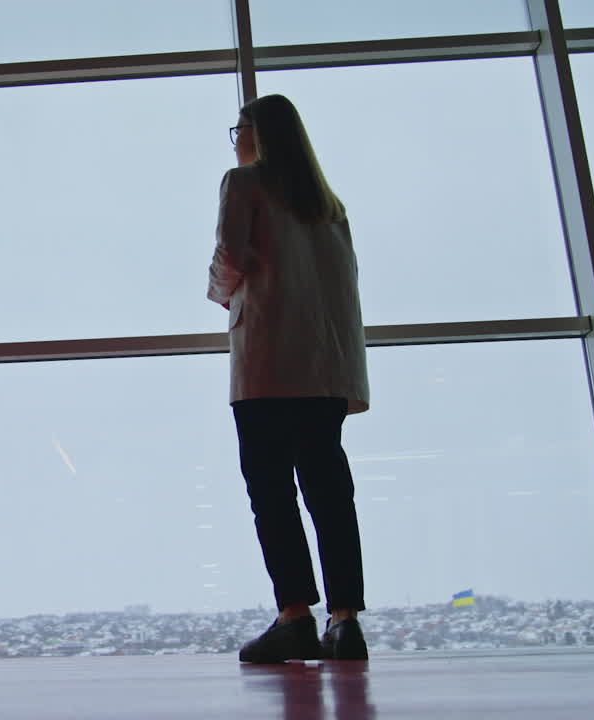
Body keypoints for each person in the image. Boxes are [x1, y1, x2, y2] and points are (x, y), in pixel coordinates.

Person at [207, 94, 370, 662]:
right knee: (330, 494)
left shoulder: (244, 183)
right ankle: (345, 620)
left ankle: (295, 615)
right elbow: (344, 294)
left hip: (266, 364)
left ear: (258, 134)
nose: (236, 139)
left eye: (239, 129)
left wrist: (219, 292)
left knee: (272, 493)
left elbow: (229, 256)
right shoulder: (331, 206)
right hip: (323, 368)